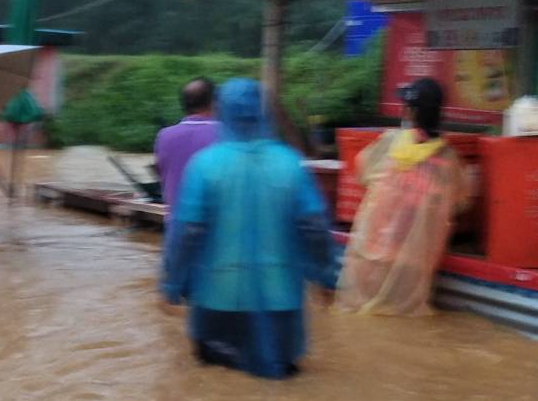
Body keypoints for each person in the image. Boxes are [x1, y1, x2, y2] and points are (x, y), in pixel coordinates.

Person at [161, 78, 340, 379]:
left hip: (216, 301)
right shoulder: (290, 163)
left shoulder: (204, 165)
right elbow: (315, 227)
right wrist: (326, 278)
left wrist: (172, 285)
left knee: (212, 391)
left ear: (223, 112)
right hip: (279, 303)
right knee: (283, 387)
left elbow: (187, 232)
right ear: (263, 112)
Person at [335, 77, 465, 317]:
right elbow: (460, 202)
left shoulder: (391, 143)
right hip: (414, 264)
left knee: (361, 316)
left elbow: (362, 170)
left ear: (409, 111)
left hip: (374, 253)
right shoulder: (449, 159)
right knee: (400, 316)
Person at [153, 77, 220, 222]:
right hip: (215, 232)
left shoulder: (164, 136)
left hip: (176, 231)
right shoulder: (226, 134)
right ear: (215, 102)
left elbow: (160, 173)